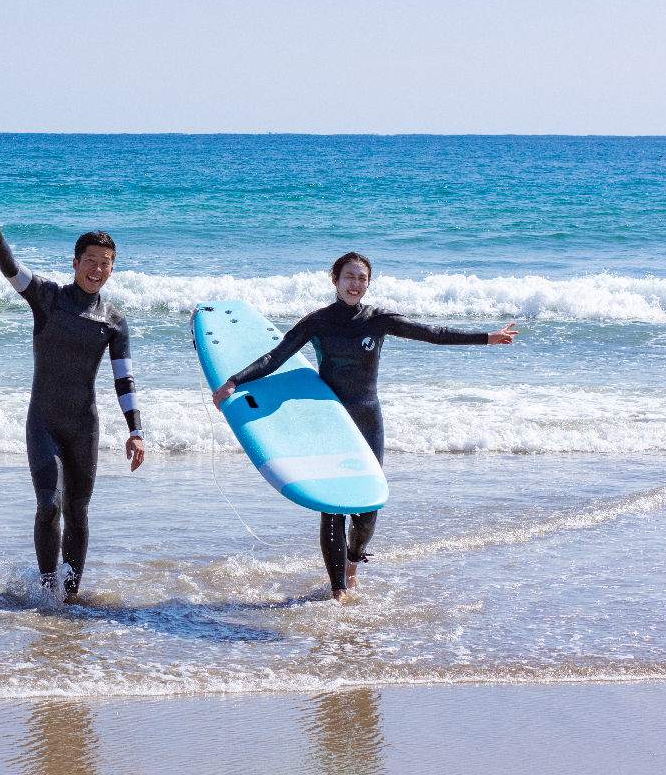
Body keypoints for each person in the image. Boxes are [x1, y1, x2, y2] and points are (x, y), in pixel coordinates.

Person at [212, 252, 516, 602]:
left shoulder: (378, 319)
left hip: (368, 418)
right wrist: (234, 381)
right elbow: (275, 357)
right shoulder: (317, 322)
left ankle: (354, 562)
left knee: (367, 511)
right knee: (333, 506)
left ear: (368, 283)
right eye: (349, 277)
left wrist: (487, 337)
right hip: (332, 423)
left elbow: (433, 333)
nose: (355, 284)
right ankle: (338, 587)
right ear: (335, 280)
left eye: (362, 278)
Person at [0, 185, 145, 604]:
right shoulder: (48, 298)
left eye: (106, 263)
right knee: (49, 506)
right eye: (90, 260)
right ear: (75, 262)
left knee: (78, 512)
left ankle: (71, 595)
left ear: (112, 270)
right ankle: (47, 593)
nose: (97, 269)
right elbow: (11, 269)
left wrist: (136, 431)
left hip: (83, 427)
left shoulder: (113, 321)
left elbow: (124, 379)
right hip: (43, 422)